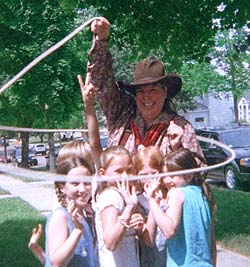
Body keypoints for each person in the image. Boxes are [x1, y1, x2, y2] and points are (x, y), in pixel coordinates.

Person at [86, 17, 205, 166]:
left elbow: (198, 174)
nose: (146, 97)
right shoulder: (120, 114)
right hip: (119, 189)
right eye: (141, 91)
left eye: (153, 90)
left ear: (165, 92)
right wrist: (102, 40)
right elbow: (101, 81)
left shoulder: (181, 127)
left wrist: (178, 149)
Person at [144, 148, 217, 267]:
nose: (167, 181)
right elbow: (212, 243)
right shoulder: (202, 196)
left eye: (172, 176)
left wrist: (151, 200)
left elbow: (170, 231)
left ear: (189, 176)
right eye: (165, 176)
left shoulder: (177, 193)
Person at [94, 145, 149, 267]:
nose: (125, 176)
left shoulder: (124, 196)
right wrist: (129, 209)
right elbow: (110, 243)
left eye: (129, 170)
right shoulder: (110, 196)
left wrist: (139, 227)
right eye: (118, 171)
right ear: (103, 173)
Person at [44, 140, 96, 267]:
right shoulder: (61, 216)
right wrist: (78, 230)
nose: (83, 189)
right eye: (75, 183)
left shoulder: (82, 214)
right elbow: (56, 263)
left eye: (87, 182)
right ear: (62, 186)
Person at [133, 145, 167, 267]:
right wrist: (153, 201)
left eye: (154, 173)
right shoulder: (138, 201)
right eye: (143, 175)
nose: (149, 179)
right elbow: (149, 240)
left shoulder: (171, 196)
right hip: (151, 261)